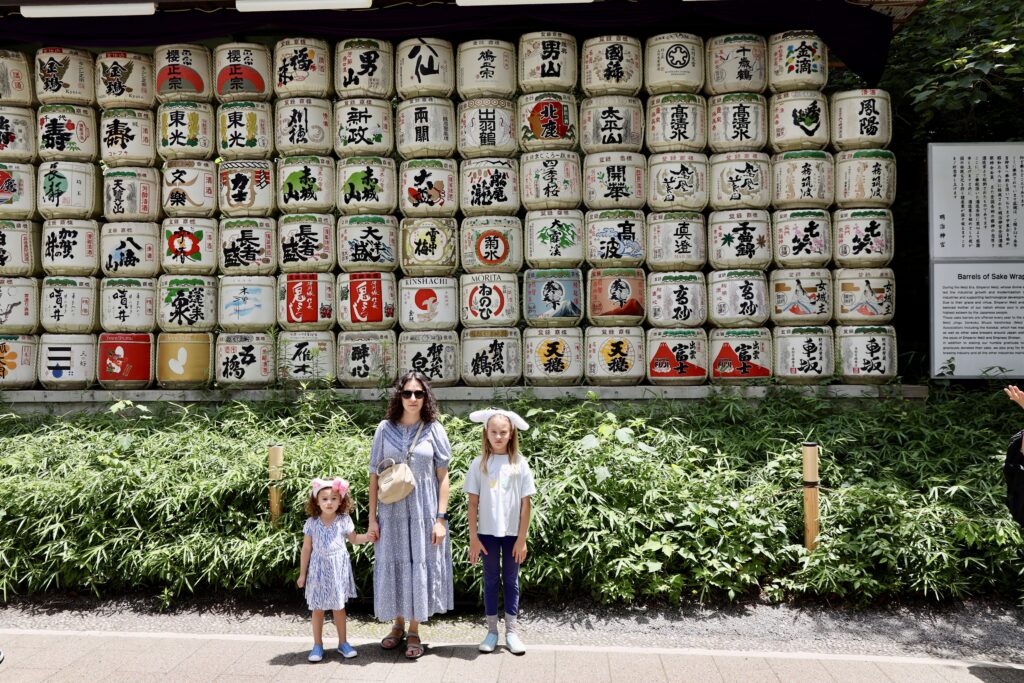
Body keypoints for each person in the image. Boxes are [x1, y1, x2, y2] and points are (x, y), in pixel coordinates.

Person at [368, 371, 454, 659]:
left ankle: (414, 629)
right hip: (390, 511)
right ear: (399, 396)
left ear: (426, 396)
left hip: (423, 511)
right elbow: (373, 475)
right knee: (394, 561)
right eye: (407, 393)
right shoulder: (384, 428)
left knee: (419, 562)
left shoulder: (434, 429)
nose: (413, 399)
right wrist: (371, 518)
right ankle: (397, 625)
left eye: (419, 393)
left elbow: (443, 477)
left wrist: (441, 518)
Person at [464, 408, 536, 655]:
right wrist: (473, 538)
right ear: (486, 433)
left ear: (511, 433)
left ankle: (512, 632)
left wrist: (522, 539)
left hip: (513, 535)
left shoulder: (520, 464)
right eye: (493, 431)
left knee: (511, 580)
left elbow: (527, 504)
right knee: (491, 579)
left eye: (502, 432)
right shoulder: (479, 464)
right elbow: (472, 503)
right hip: (486, 534)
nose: (498, 436)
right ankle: (492, 631)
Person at [297, 477, 374, 663]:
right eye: (324, 499)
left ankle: (343, 643)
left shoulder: (344, 520)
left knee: (339, 607)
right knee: (318, 609)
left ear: (341, 501)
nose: (329, 502)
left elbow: (354, 540)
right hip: (318, 569)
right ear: (316, 501)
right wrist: (302, 574)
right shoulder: (312, 523)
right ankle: (317, 644)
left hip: (337, 569)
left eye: (333, 498)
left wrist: (370, 536)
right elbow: (306, 548)